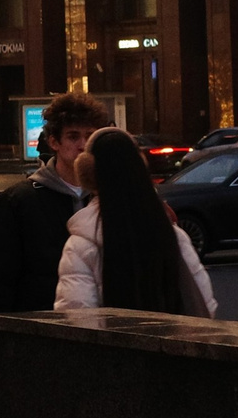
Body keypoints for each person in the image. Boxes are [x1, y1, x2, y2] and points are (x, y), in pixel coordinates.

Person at [0, 92, 107, 379]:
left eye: (90, 135)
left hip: (100, 341)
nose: (83, 144)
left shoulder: (109, 199)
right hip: (36, 341)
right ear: (54, 143)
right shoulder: (19, 201)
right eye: (73, 136)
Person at [55, 128, 217, 317]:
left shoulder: (81, 244)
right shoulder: (171, 233)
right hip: (173, 342)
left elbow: (78, 316)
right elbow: (204, 303)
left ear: (88, 174)